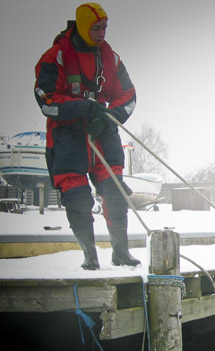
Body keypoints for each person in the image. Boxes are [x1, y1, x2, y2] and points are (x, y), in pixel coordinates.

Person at [34, 3, 139, 270]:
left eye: (105, 28)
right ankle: (89, 255)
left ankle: (121, 252)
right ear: (82, 27)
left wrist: (108, 116)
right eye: (96, 28)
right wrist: (83, 108)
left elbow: (128, 96)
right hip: (67, 137)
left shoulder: (111, 59)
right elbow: (46, 100)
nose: (102, 33)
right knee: (77, 198)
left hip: (102, 132)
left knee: (115, 193)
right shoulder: (55, 57)